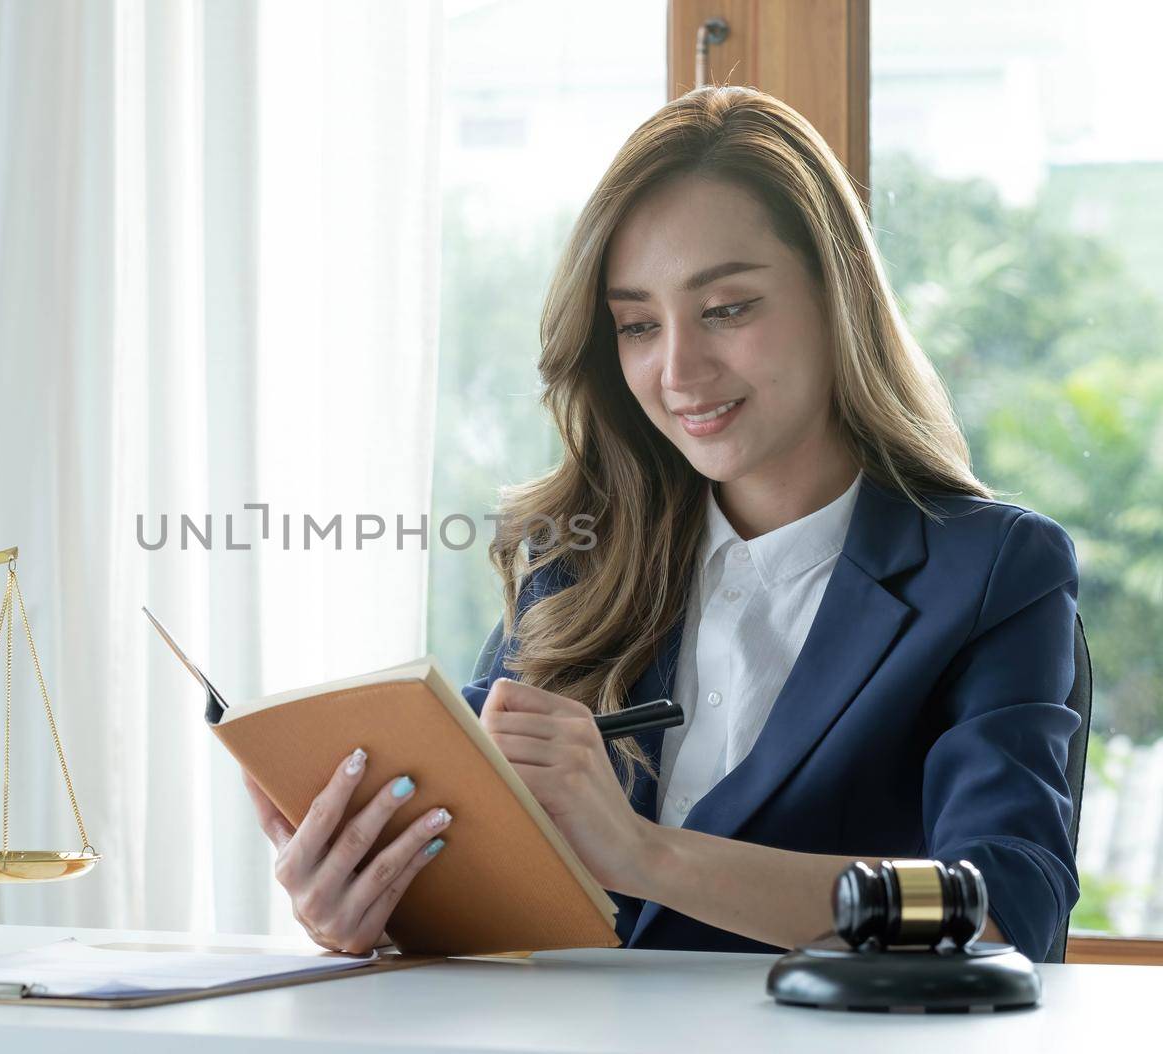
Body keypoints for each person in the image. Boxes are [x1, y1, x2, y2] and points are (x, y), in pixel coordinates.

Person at [239, 85, 1081, 962]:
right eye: (638, 324)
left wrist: (648, 856)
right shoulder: (575, 560)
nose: (677, 369)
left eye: (726, 309)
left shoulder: (990, 570)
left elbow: (998, 906)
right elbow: (488, 903)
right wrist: (366, 913)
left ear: (839, 299)